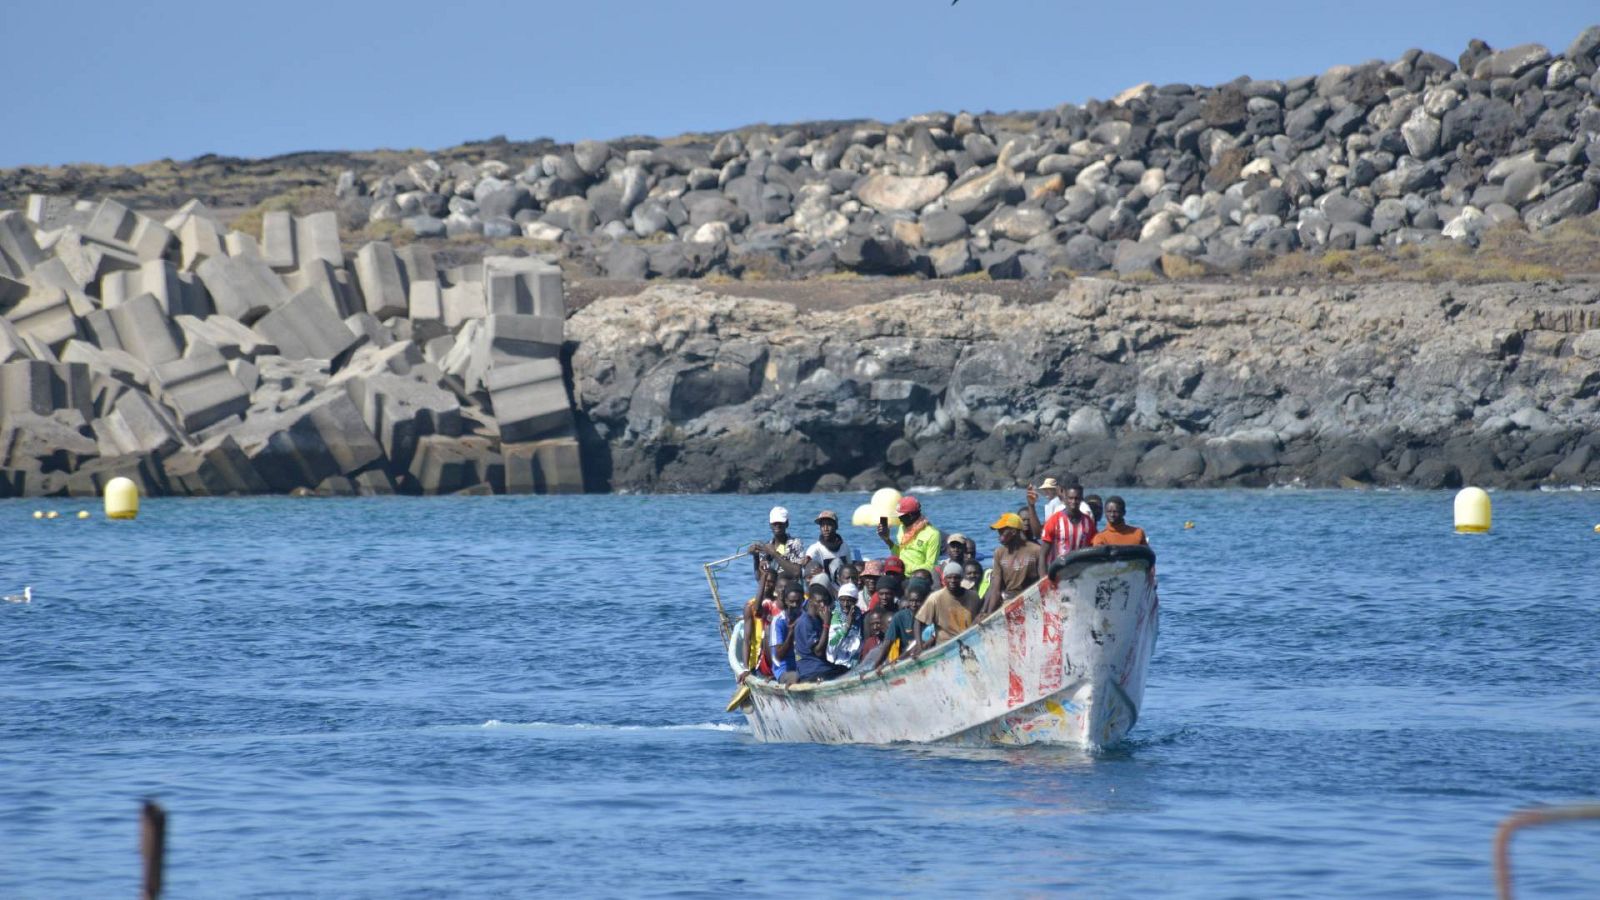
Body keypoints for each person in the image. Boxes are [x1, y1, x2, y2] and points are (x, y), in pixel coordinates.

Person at [983, 512, 1045, 616]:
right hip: (1009, 601)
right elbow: (996, 588)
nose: (999, 533)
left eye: (1002, 531)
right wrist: (988, 613)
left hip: (1032, 599)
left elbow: (1043, 581)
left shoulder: (1036, 550)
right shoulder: (999, 553)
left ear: (1013, 531)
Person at [876, 496, 942, 577]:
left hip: (918, 578)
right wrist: (886, 539)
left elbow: (930, 566)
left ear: (911, 515)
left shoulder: (932, 534)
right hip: (900, 574)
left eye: (901, 516)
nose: (899, 518)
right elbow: (900, 554)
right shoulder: (902, 528)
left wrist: (904, 568)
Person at [795, 583, 849, 682]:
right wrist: (826, 624)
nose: (823, 605)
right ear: (811, 602)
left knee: (850, 670)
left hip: (824, 667)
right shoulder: (806, 622)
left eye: (824, 602)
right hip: (812, 671)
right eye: (819, 602)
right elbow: (819, 652)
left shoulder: (819, 618)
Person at [916, 562, 974, 651]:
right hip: (945, 647)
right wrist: (919, 647)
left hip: (970, 642)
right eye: (949, 577)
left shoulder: (973, 597)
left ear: (961, 578)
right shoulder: (935, 598)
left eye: (956, 577)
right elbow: (918, 622)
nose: (952, 581)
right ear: (944, 579)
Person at [876, 575, 929, 670]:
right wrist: (876, 665)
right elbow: (888, 642)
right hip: (907, 660)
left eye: (918, 601)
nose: (913, 605)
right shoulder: (900, 617)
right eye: (911, 601)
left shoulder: (932, 615)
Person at [1041, 483, 1098, 565]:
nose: (1073, 501)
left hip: (1080, 571)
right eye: (1070, 498)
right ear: (1065, 498)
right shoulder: (1054, 520)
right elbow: (1043, 553)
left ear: (1081, 499)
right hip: (1058, 571)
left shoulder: (1088, 522)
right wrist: (1043, 575)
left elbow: (1093, 546)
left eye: (1077, 498)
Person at [750, 506, 806, 587]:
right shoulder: (767, 546)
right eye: (774, 523)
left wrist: (774, 554)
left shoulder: (795, 543)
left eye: (780, 523)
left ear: (787, 524)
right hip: (771, 593)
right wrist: (755, 557)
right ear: (770, 524)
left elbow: (797, 573)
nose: (777, 525)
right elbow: (760, 578)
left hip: (790, 593)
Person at [804, 509, 861, 587]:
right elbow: (806, 563)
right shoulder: (815, 548)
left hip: (843, 588)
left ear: (836, 526)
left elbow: (849, 566)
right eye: (822, 525)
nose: (825, 528)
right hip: (826, 588)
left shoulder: (844, 546)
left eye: (829, 525)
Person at [768, 583, 806, 684]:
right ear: (785, 601)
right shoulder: (779, 621)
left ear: (803, 600)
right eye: (791, 602)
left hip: (803, 665)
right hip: (784, 669)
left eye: (798, 602)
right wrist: (791, 633)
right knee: (798, 677)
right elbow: (778, 656)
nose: (795, 605)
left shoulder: (806, 618)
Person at [827, 583, 863, 666]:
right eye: (842, 600)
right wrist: (847, 626)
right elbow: (831, 646)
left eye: (849, 601)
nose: (845, 604)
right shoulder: (834, 618)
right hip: (839, 663)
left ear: (855, 601)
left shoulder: (859, 616)